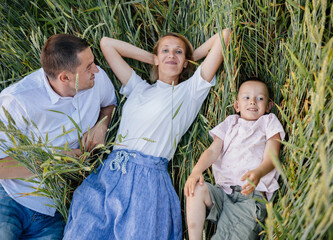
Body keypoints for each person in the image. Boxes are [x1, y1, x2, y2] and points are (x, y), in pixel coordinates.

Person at [63, 29, 230, 240]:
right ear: (156, 58)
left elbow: (224, 35)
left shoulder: (190, 91)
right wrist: (155, 58)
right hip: (111, 172)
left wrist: (190, 57)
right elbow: (107, 44)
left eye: (178, 52)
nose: (171, 55)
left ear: (185, 62)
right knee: (84, 232)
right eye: (165, 51)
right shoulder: (137, 87)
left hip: (148, 179)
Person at [0, 34, 117, 239]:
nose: (96, 70)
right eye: (88, 67)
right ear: (65, 77)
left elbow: (109, 104)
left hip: (53, 209)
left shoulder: (96, 81)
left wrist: (101, 125)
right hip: (10, 199)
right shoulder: (17, 102)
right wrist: (61, 160)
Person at [184, 79, 285, 240]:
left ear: (268, 106)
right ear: (237, 106)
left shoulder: (269, 122)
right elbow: (212, 151)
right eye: (246, 98)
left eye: (259, 98)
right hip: (223, 192)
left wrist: (258, 173)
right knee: (195, 188)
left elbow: (272, 157)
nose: (252, 101)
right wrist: (196, 171)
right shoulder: (230, 123)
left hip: (251, 197)